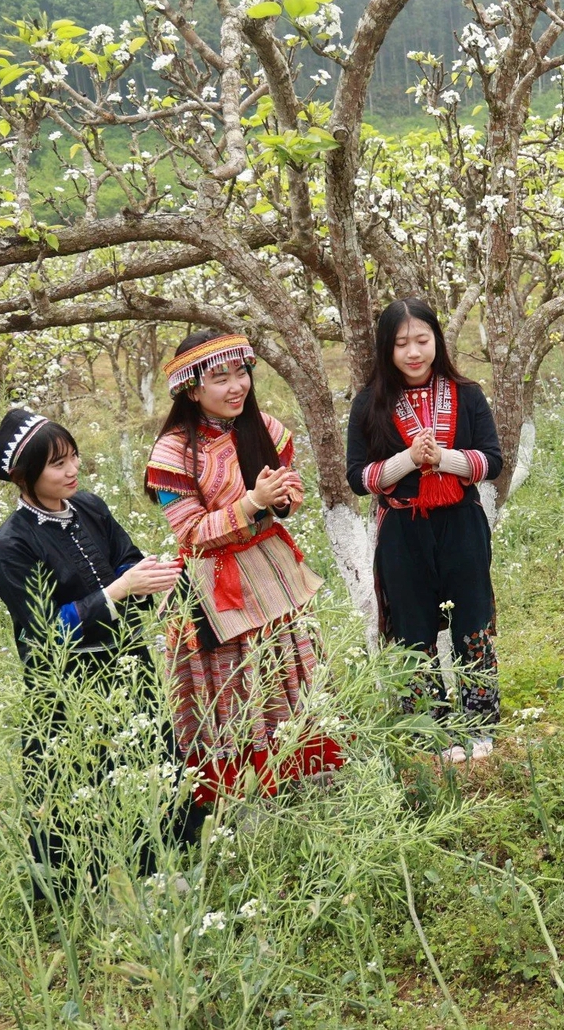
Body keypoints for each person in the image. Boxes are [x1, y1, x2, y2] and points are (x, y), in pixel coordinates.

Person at [0, 408, 203, 880]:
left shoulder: (90, 507)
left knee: (148, 757)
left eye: (74, 457)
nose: (72, 470)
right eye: (57, 464)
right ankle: (98, 876)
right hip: (69, 685)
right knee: (87, 777)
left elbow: (124, 560)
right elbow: (44, 632)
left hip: (127, 662)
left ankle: (162, 860)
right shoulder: (10, 547)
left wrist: (152, 577)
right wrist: (119, 591)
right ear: (25, 476)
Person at [144, 332, 343, 802]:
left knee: (290, 671)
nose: (236, 387)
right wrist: (252, 502)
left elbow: (288, 500)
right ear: (191, 390)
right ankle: (242, 796)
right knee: (233, 689)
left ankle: (306, 778)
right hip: (216, 588)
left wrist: (283, 498)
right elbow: (190, 533)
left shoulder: (268, 430)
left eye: (241, 374)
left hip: (272, 575)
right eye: (220, 378)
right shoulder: (172, 453)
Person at [345, 299, 505, 761]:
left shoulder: (467, 394)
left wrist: (446, 459)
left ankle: (478, 723)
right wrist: (407, 461)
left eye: (422, 340)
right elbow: (357, 478)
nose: (413, 353)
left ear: (436, 340)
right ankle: (429, 728)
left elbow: (491, 462)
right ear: (385, 349)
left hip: (460, 522)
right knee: (413, 627)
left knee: (471, 621)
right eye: (401, 344)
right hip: (402, 527)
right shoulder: (370, 403)